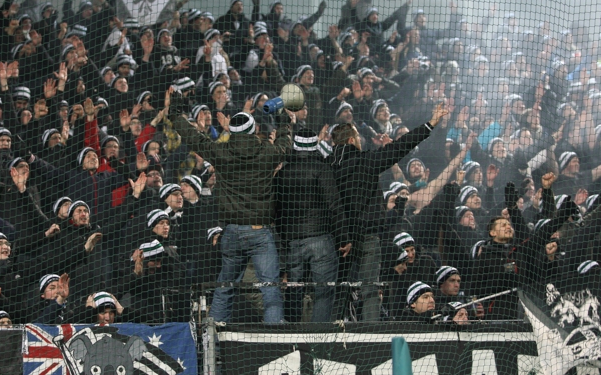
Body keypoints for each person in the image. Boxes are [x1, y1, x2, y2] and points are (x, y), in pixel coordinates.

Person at [170, 106, 296, 323]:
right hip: (259, 231)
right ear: (253, 129)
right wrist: (284, 122)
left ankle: (213, 342)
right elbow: (285, 147)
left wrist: (176, 114)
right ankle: (275, 340)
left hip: (231, 232)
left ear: (232, 130)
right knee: (269, 288)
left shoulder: (222, 152)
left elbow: (194, 137)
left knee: (224, 287)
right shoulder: (267, 151)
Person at [327, 103, 448, 322]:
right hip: (368, 234)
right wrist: (430, 124)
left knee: (339, 287)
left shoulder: (326, 167)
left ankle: (333, 329)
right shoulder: (366, 161)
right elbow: (402, 146)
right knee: (371, 288)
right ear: (353, 140)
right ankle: (371, 333)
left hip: (338, 236)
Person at [274, 129, 352, 322]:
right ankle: (320, 341)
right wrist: (344, 238)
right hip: (321, 240)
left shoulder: (282, 173)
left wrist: (284, 241)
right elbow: (334, 206)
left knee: (293, 292)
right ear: (314, 145)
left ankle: (292, 338)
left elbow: (277, 212)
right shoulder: (322, 169)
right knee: (323, 293)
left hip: (293, 243)